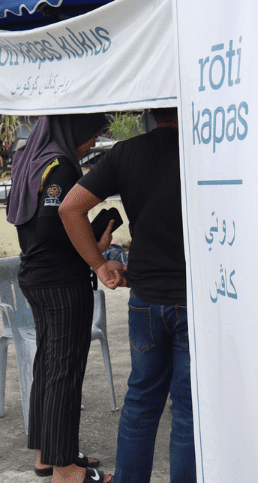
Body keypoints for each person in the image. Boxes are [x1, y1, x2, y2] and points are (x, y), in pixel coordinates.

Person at [59, 108, 194, 483]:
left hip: (145, 298)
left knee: (141, 401)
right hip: (197, 300)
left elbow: (70, 207)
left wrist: (99, 264)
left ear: (151, 108)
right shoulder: (208, 150)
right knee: (187, 410)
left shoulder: (125, 151)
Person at [6, 113, 112, 483]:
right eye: (92, 135)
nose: (90, 145)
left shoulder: (31, 161)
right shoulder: (62, 167)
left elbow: (34, 227)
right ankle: (66, 472)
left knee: (48, 368)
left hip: (35, 277)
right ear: (75, 129)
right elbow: (56, 228)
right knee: (64, 373)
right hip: (62, 283)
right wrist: (94, 247)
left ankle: (48, 455)